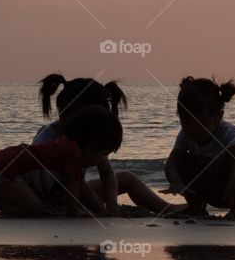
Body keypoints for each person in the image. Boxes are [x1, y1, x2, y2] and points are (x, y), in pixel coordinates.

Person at [35, 74, 179, 216]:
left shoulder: (89, 138)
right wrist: (89, 198)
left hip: (76, 188)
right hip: (44, 193)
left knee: (127, 178)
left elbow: (107, 173)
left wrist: (111, 204)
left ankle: (166, 208)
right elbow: (50, 180)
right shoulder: (49, 138)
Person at [0, 105, 122, 217]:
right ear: (91, 146)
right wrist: (74, 211)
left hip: (5, 164)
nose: (99, 161)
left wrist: (97, 208)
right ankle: (6, 208)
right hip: (5, 171)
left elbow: (81, 185)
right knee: (35, 208)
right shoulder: (72, 153)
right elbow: (71, 185)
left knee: (38, 206)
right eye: (102, 155)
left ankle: (10, 202)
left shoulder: (69, 147)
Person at [164, 77, 235, 219]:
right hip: (210, 188)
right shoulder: (185, 135)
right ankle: (196, 207)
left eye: (200, 125)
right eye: (186, 123)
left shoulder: (228, 132)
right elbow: (172, 162)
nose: (193, 131)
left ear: (219, 116)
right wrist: (175, 181)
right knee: (183, 160)